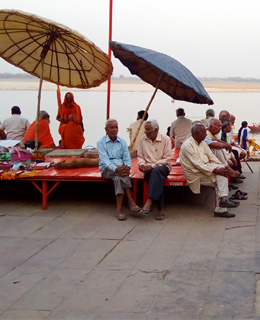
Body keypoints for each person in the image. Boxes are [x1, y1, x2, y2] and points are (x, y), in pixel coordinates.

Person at [180, 122, 239, 218]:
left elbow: (212, 157)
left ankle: (223, 202)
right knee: (221, 177)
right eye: (204, 132)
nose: (206, 134)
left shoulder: (202, 143)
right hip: (195, 173)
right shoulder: (188, 145)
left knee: (222, 174)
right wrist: (216, 170)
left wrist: (224, 167)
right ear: (197, 133)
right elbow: (198, 165)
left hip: (205, 169)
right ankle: (222, 206)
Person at [97, 119, 140, 221]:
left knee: (117, 178)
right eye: (111, 127)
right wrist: (116, 169)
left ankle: (119, 209)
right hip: (107, 169)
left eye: (116, 127)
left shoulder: (122, 142)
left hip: (120, 171)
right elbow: (105, 160)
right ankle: (130, 200)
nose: (114, 130)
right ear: (106, 129)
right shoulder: (101, 143)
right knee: (119, 174)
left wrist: (127, 167)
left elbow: (127, 158)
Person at [138, 119, 172, 220]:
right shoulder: (142, 139)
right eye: (145, 129)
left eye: (148, 129)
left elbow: (167, 158)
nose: (145, 131)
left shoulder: (165, 139)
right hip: (149, 169)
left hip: (163, 167)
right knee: (158, 179)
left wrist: (152, 166)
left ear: (155, 130)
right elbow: (140, 156)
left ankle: (149, 201)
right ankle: (160, 208)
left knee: (156, 172)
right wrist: (142, 164)